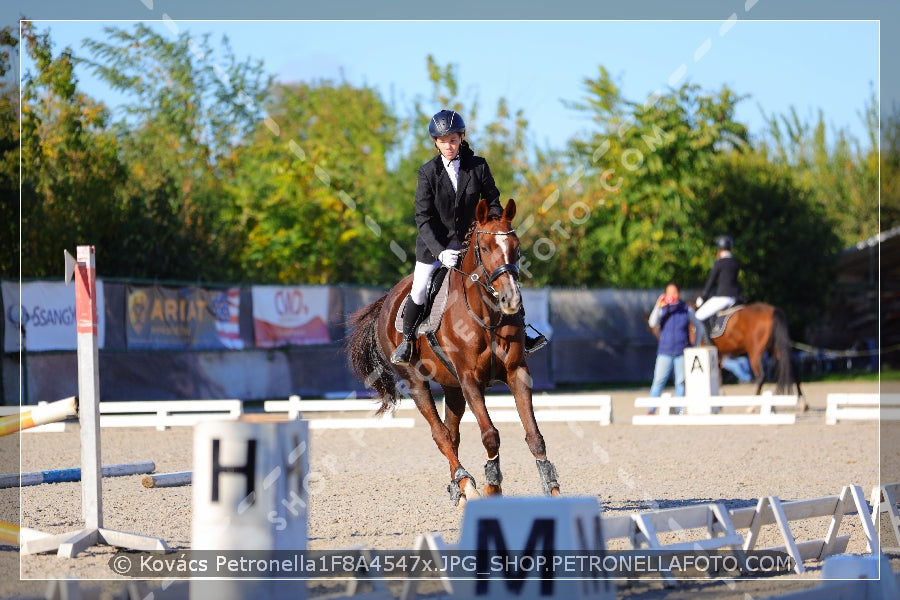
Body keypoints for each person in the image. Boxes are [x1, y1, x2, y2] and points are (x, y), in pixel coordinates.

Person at [390, 109, 547, 365]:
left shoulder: (478, 166)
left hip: (474, 243)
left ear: (461, 138)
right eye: (443, 141)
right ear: (436, 143)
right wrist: (441, 251)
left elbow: (493, 202)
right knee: (419, 289)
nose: (448, 145)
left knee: (505, 276)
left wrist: (492, 225)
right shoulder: (427, 173)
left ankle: (523, 334)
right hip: (435, 247)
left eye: (453, 140)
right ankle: (407, 341)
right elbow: (423, 218)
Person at [647, 283, 701, 413]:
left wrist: (695, 345)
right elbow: (652, 323)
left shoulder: (686, 310)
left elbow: (699, 326)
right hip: (665, 351)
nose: (672, 296)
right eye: (669, 293)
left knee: (681, 382)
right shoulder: (662, 309)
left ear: (679, 294)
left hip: (681, 351)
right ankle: (651, 409)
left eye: (674, 293)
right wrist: (657, 306)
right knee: (659, 381)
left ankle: (679, 409)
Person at [694, 235, 744, 343]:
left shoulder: (719, 263)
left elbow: (711, 282)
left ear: (719, 249)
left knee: (698, 316)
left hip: (723, 297)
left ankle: (709, 342)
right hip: (735, 297)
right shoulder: (735, 263)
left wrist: (703, 297)